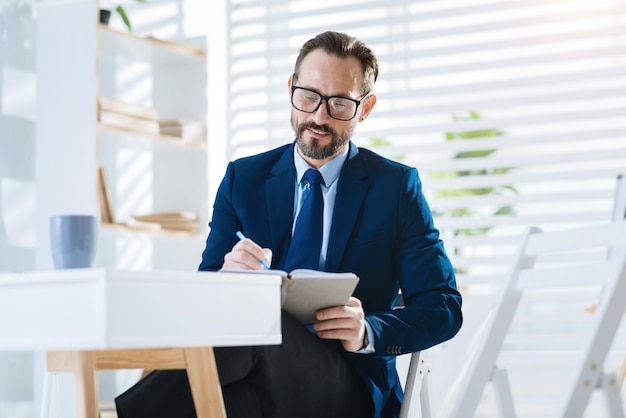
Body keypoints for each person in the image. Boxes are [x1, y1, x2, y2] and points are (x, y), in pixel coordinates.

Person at [115, 30, 462, 418]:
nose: (318, 116)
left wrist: (368, 331)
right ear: (291, 88)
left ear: (365, 109)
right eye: (309, 96)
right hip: (253, 379)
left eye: (340, 104)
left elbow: (444, 306)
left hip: (347, 386)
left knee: (264, 323)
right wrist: (225, 278)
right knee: (230, 404)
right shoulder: (243, 180)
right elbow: (206, 294)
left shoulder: (395, 188)